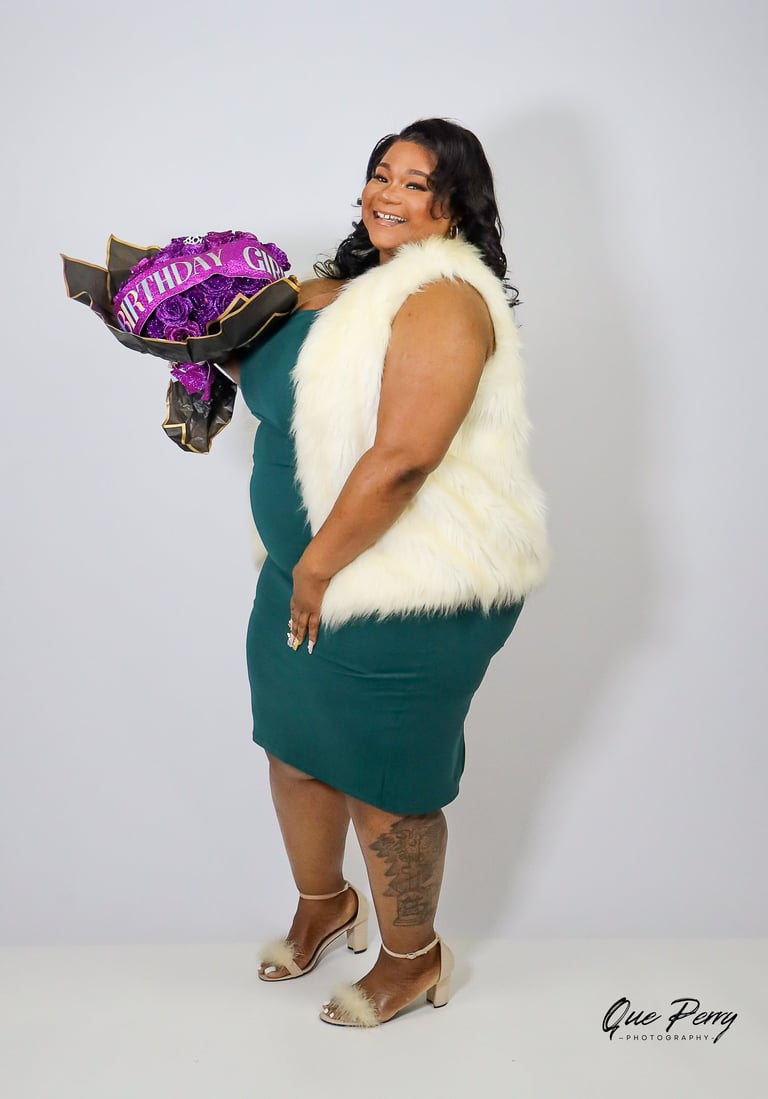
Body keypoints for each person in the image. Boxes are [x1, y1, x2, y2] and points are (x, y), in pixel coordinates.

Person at [224, 118, 550, 1027]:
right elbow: (271, 371)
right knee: (294, 752)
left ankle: (413, 957)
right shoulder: (343, 287)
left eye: (415, 182)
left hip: (403, 591)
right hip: (302, 575)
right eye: (381, 173)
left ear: (456, 205)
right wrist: (196, 349)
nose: (387, 193)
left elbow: (404, 458)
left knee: (386, 783)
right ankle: (326, 904)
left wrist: (318, 569)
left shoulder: (445, 298)